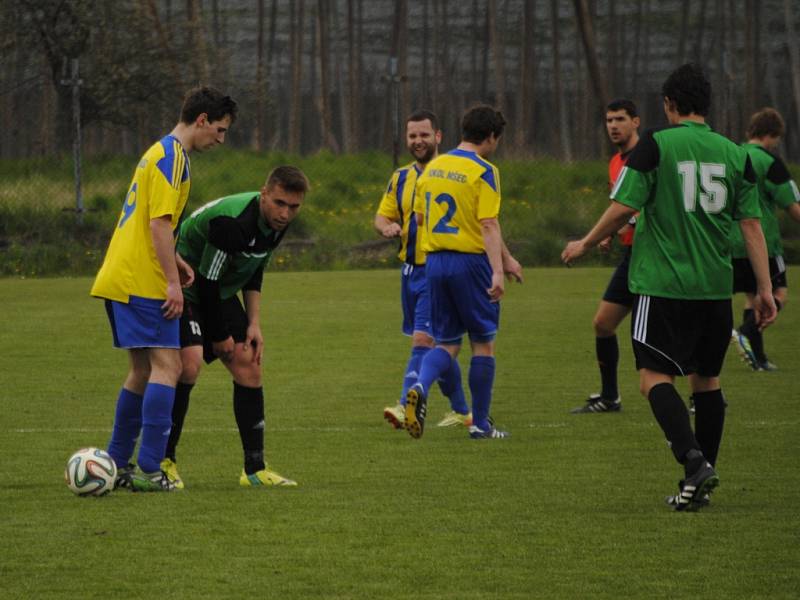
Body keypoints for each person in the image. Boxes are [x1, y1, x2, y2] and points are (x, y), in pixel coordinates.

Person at [561, 63, 777, 511]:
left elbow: (624, 206)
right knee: (707, 381)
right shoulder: (735, 153)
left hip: (663, 285)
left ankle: (694, 463)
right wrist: (764, 289)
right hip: (715, 289)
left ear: (669, 105)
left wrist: (587, 240)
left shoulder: (657, 145)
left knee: (652, 378)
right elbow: (752, 227)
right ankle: (699, 479)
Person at [91, 87, 238, 492]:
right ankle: (151, 470)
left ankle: (116, 464)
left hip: (121, 274)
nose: (221, 140)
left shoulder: (157, 152)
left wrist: (176, 261)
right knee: (168, 368)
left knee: (141, 370)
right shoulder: (173, 158)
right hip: (141, 280)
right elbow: (158, 223)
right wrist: (172, 282)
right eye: (220, 130)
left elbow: (154, 226)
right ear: (202, 119)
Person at [162, 166, 310, 488]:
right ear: (264, 193)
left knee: (249, 364)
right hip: (187, 285)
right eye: (280, 203)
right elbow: (207, 279)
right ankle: (164, 461)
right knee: (188, 366)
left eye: (294, 207)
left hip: (219, 290)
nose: (286, 214)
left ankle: (254, 471)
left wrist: (254, 323)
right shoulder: (233, 223)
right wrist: (219, 336)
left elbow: (254, 269)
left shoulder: (275, 224)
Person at [405, 104, 523, 440]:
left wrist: (508, 258)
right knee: (483, 344)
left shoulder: (432, 168)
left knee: (446, 343)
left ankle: (419, 386)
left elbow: (418, 219)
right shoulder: (484, 170)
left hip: (436, 263)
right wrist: (497, 272)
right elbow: (487, 223)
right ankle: (481, 425)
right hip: (470, 264)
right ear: (491, 136)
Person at [374, 110, 472, 431]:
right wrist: (387, 227)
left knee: (422, 340)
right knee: (438, 342)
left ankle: (405, 405)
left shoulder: (453, 174)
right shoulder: (400, 178)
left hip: (438, 270)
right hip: (410, 272)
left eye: (424, 135)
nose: (418, 141)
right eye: (413, 136)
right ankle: (462, 410)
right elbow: (381, 217)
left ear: (438, 137)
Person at [571, 99, 640, 414]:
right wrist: (612, 232)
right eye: (609, 120)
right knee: (603, 322)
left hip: (655, 255)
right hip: (632, 255)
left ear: (635, 122)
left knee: (669, 331)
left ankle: (703, 394)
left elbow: (643, 206)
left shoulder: (647, 158)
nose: (613, 125)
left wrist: (588, 241)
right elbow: (622, 206)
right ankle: (610, 397)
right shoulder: (616, 162)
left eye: (620, 119)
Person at [730, 108, 800, 371]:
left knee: (753, 298)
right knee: (778, 293)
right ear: (772, 135)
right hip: (763, 242)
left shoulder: (734, 155)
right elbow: (792, 206)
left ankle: (757, 358)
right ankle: (746, 331)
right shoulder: (770, 163)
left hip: (733, 242)